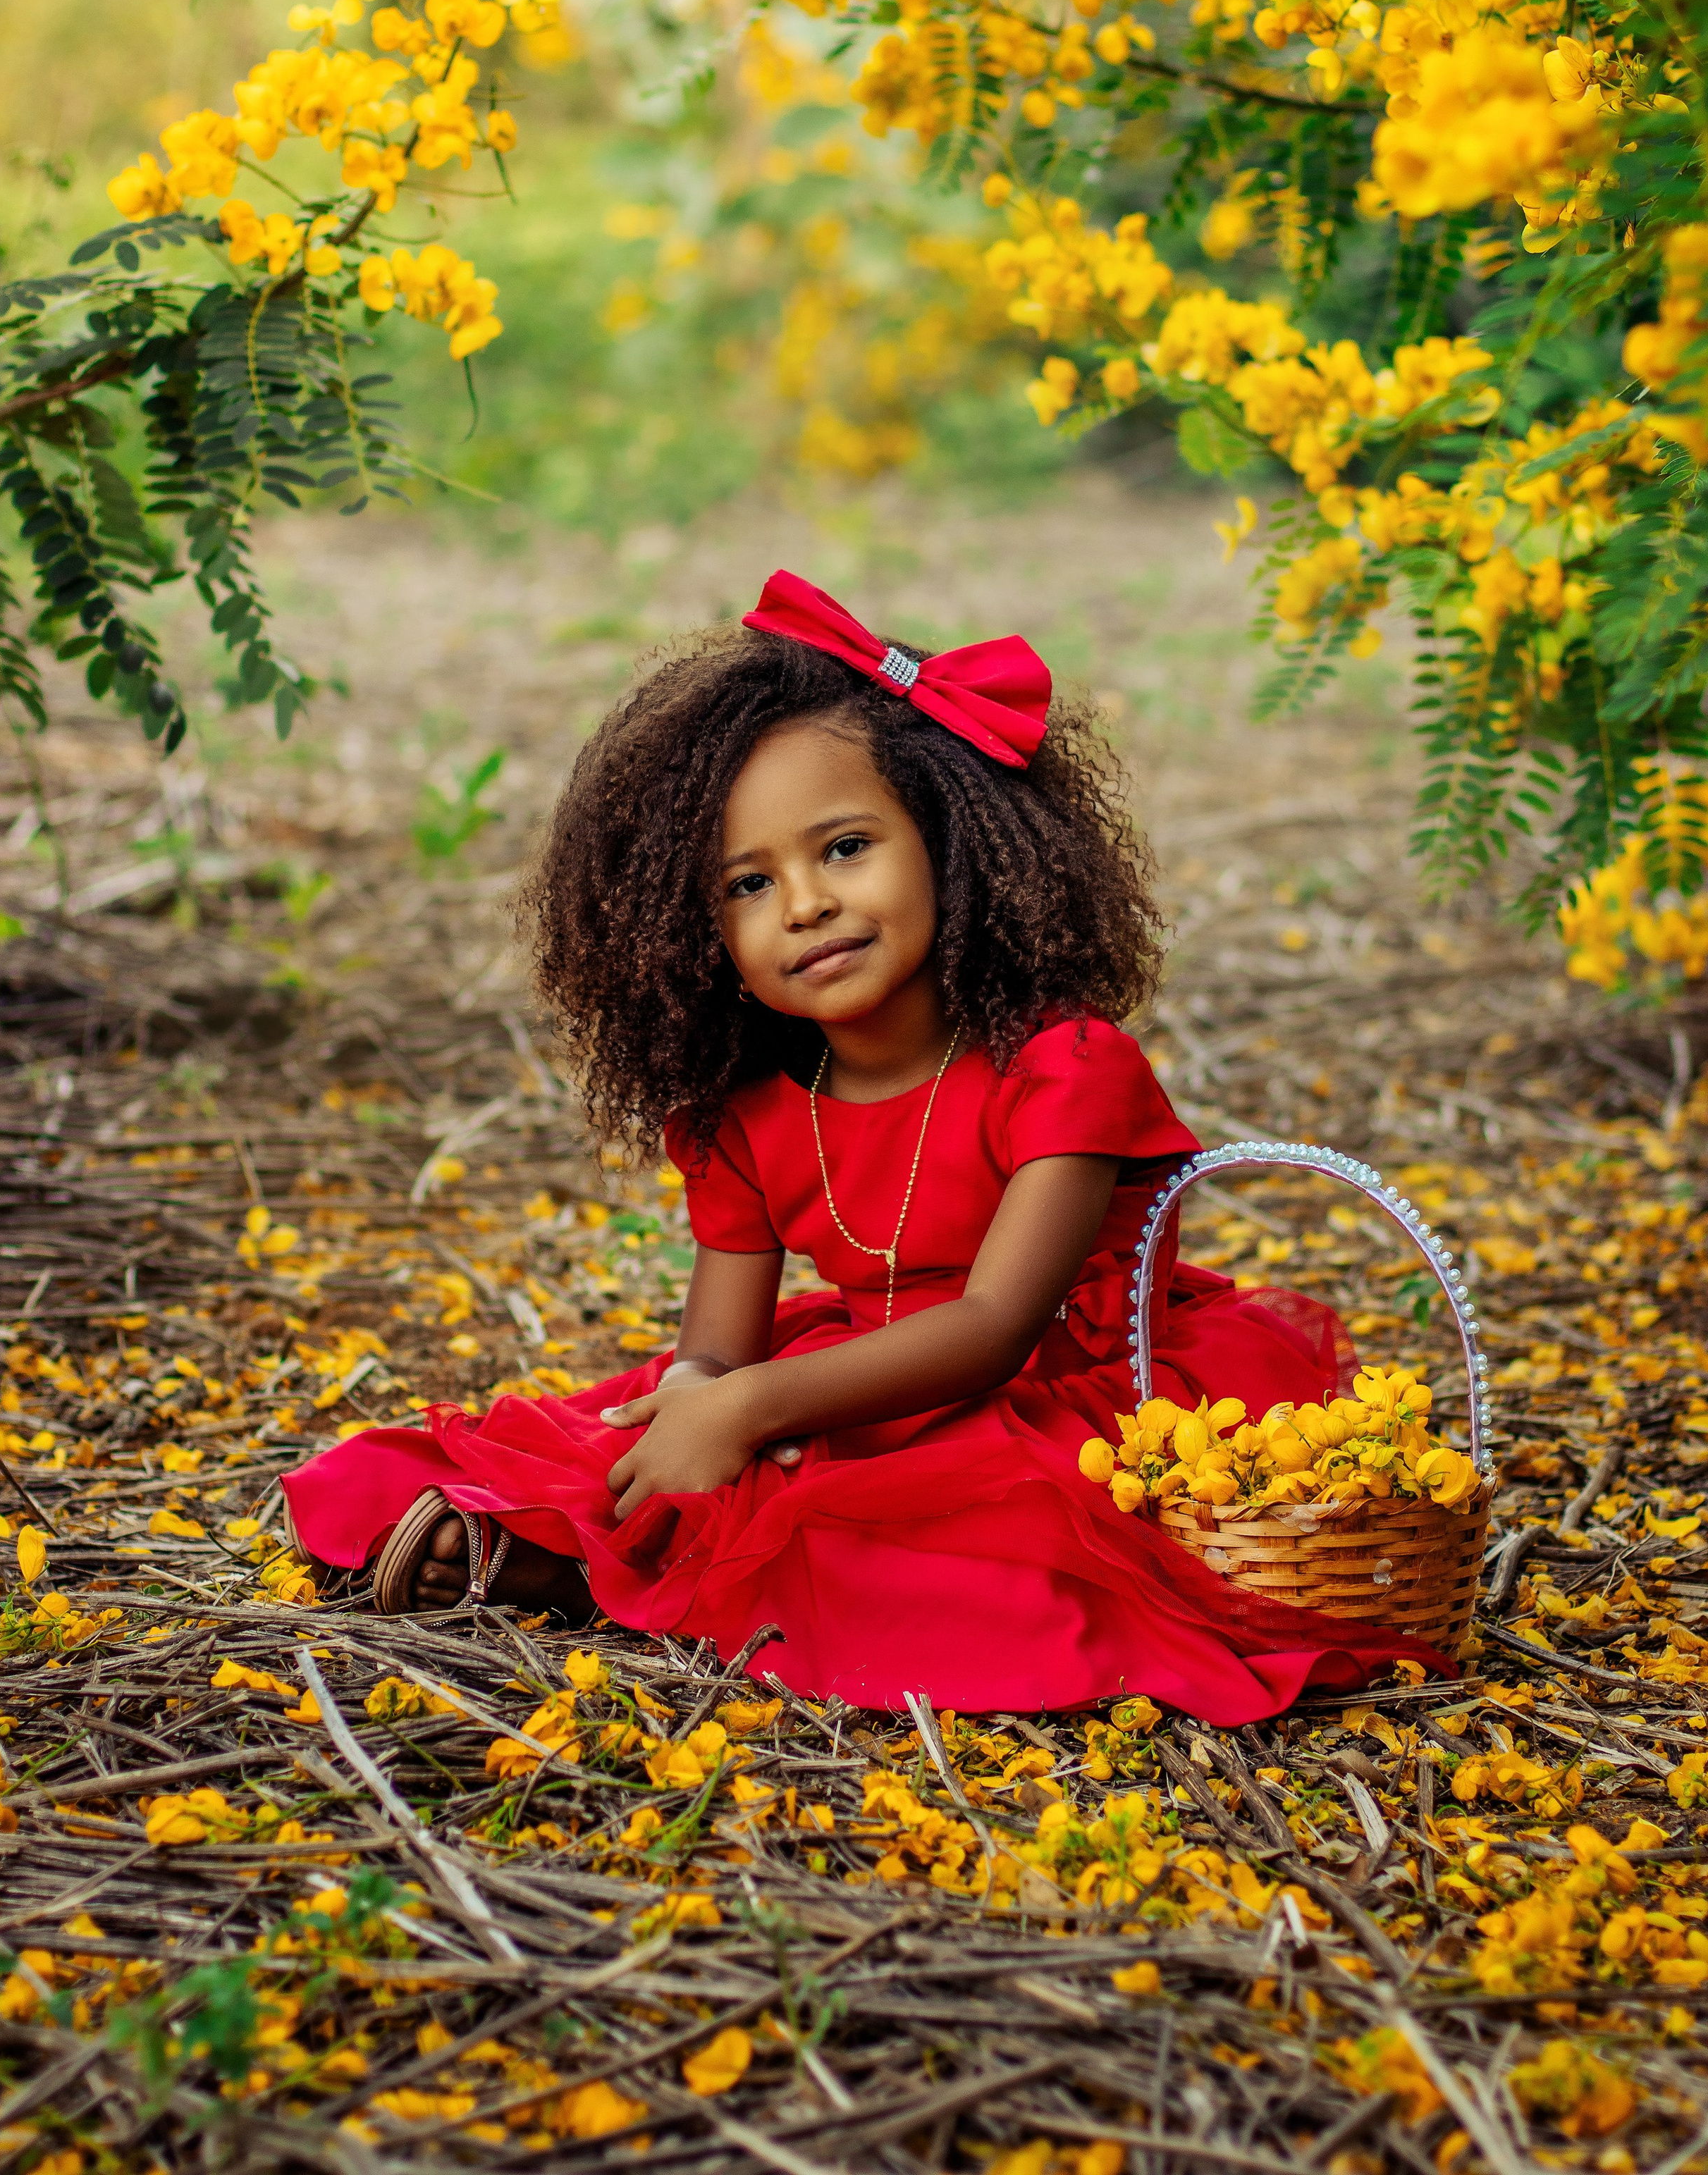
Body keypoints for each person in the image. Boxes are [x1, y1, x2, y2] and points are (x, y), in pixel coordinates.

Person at [281, 569, 1423, 1718]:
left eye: (843, 848)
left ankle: (592, 1580)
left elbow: (993, 1330)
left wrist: (749, 1412)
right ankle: (592, 1553)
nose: (805, 905)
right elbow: (718, 1352)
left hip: (1059, 1411)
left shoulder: (1065, 1069)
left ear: (949, 841)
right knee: (608, 1452)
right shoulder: (746, 1112)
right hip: (844, 1390)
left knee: (957, 1562)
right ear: (697, 935)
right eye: (748, 883)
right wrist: (696, 1405)